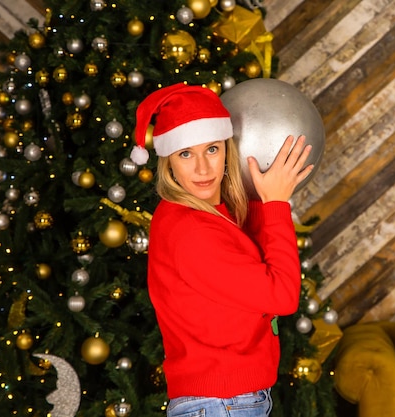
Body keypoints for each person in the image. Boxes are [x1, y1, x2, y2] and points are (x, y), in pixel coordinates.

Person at [131, 82, 314, 417]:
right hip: (222, 404)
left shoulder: (206, 216)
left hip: (227, 401)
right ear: (168, 161)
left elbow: (251, 253)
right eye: (186, 154)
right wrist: (274, 204)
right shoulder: (190, 231)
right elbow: (282, 295)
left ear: (227, 150)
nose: (202, 169)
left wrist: (262, 198)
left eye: (212, 149)